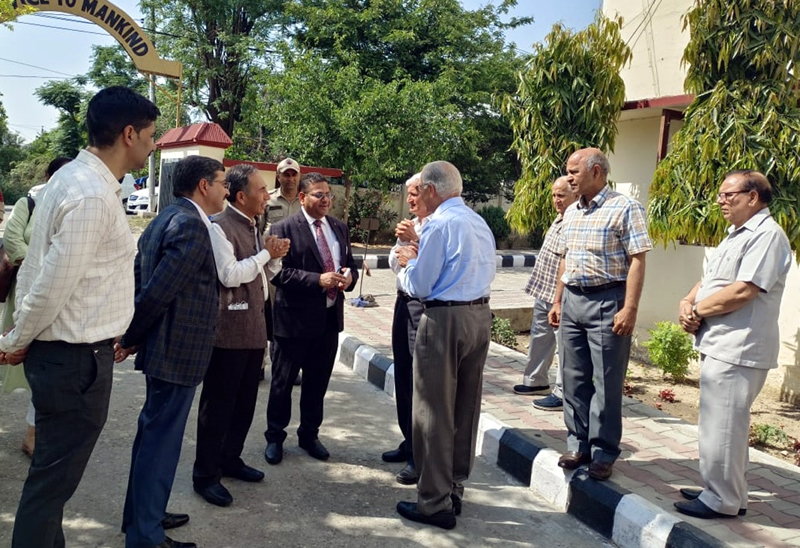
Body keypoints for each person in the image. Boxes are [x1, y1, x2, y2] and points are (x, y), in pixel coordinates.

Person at [0, 86, 158, 548]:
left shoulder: (73, 179)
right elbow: (51, 284)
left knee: (52, 482)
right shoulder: (90, 194)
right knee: (51, 486)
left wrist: (22, 334)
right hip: (75, 362)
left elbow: (40, 271)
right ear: (128, 134)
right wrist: (17, 339)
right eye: (150, 135)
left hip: (69, 357)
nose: (153, 145)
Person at [116, 155, 228, 548]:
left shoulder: (165, 217)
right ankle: (146, 536)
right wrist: (131, 337)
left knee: (151, 437)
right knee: (160, 444)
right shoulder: (190, 225)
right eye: (222, 182)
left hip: (166, 348)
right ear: (203, 185)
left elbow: (140, 277)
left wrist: (135, 334)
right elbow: (159, 290)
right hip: (176, 352)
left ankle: (142, 516)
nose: (226, 190)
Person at [673, 170, 790, 520]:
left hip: (739, 347)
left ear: (753, 197)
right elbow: (711, 280)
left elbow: (743, 290)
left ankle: (720, 499)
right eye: (720, 195)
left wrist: (697, 311)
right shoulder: (736, 234)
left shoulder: (767, 236)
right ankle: (728, 493)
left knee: (722, 427)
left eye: (728, 195)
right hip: (721, 342)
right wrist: (688, 301)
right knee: (725, 426)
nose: (720, 201)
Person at [394, 160, 496, 530]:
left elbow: (420, 285)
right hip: (479, 317)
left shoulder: (439, 224)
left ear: (431, 190)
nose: (417, 196)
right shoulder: (477, 221)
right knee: (465, 408)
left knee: (433, 412)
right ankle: (453, 488)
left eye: (419, 189)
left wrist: (408, 262)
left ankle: (434, 502)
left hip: (444, 320)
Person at [549, 148, 652, 481]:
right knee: (572, 377)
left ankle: (603, 452)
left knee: (606, 382)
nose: (569, 178)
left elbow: (637, 259)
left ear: (596, 171)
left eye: (574, 172)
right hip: (573, 300)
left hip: (608, 301)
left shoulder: (625, 208)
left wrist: (630, 308)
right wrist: (557, 301)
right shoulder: (572, 212)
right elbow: (565, 258)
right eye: (568, 172)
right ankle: (578, 444)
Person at [193, 164, 289, 507]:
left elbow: (263, 273)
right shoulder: (220, 226)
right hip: (229, 331)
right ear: (240, 196)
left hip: (253, 328)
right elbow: (230, 275)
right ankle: (206, 474)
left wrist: (274, 257)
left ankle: (230, 459)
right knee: (218, 406)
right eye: (261, 190)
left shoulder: (253, 224)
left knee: (245, 403)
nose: (267, 196)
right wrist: (266, 254)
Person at [263, 172, 358, 465]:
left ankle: (309, 434)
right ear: (303, 197)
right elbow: (277, 273)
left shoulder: (339, 228)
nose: (326, 199)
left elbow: (349, 264)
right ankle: (275, 437)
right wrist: (317, 280)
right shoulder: (283, 228)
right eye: (319, 194)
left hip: (328, 321)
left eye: (328, 194)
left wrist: (349, 277)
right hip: (293, 322)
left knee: (317, 384)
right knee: (282, 384)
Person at [1, 156, 71, 457]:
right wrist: (44, 267)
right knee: (12, 354)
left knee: (44, 366)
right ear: (48, 176)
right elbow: (12, 239)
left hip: (57, 298)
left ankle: (33, 435)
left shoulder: (72, 206)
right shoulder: (27, 203)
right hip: (25, 294)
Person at [513, 176, 578, 413]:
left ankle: (563, 394)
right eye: (554, 195)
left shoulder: (576, 219)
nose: (556, 200)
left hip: (560, 295)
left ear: (575, 195)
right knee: (540, 337)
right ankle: (535, 381)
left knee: (564, 345)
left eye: (561, 195)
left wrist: (559, 299)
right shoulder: (560, 217)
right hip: (544, 290)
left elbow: (568, 260)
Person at [382, 173, 431, 485]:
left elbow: (434, 266)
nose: (410, 199)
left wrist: (415, 241)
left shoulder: (437, 226)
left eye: (415, 193)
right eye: (408, 194)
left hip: (422, 306)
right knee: (402, 373)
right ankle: (408, 439)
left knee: (417, 380)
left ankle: (419, 454)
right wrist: (404, 243)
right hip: (403, 302)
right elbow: (395, 262)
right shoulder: (413, 223)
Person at [257, 157, 303, 385]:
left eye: (294, 174)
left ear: (299, 176)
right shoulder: (268, 200)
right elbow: (257, 232)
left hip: (297, 269)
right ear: (279, 176)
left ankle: (286, 368)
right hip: (271, 268)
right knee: (266, 316)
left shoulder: (305, 201)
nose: (290, 178)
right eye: (286, 174)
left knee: (291, 319)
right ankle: (259, 365)